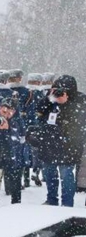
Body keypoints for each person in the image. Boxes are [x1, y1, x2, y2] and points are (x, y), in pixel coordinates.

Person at [28, 75, 86, 207]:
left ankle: (67, 204)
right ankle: (51, 200)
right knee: (49, 174)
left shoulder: (80, 100)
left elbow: (80, 122)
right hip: (49, 144)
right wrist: (50, 99)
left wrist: (66, 103)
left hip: (69, 145)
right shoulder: (50, 98)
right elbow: (38, 111)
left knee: (66, 175)